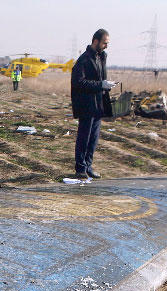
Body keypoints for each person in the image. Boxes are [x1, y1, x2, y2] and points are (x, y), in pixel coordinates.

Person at [71, 29, 115, 179]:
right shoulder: (84, 60)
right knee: (84, 137)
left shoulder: (102, 57)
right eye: (104, 43)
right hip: (86, 104)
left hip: (98, 104)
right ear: (95, 41)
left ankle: (88, 165)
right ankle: (80, 168)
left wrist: (105, 85)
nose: (106, 46)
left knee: (93, 138)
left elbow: (99, 78)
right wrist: (100, 84)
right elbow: (78, 82)